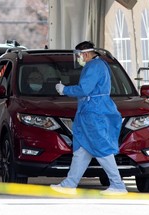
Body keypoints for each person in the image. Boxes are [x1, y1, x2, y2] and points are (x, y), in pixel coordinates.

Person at [51, 41, 127, 195]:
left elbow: (84, 89)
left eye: (78, 55)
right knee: (81, 150)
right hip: (90, 111)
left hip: (93, 113)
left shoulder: (93, 67)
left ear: (85, 54)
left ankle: (118, 185)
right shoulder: (100, 65)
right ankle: (70, 184)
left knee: (101, 148)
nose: (78, 58)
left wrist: (64, 89)